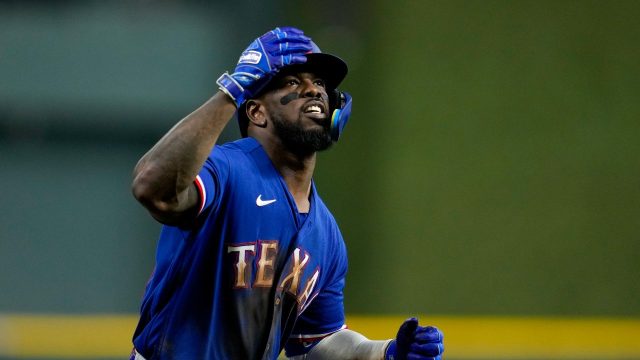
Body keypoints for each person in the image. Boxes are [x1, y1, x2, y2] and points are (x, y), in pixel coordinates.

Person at [130, 26, 444, 360]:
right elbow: (153, 188)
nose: (313, 90)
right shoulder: (226, 169)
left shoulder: (326, 233)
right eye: (292, 82)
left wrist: (384, 352)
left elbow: (317, 340)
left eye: (320, 83)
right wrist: (231, 91)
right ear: (256, 112)